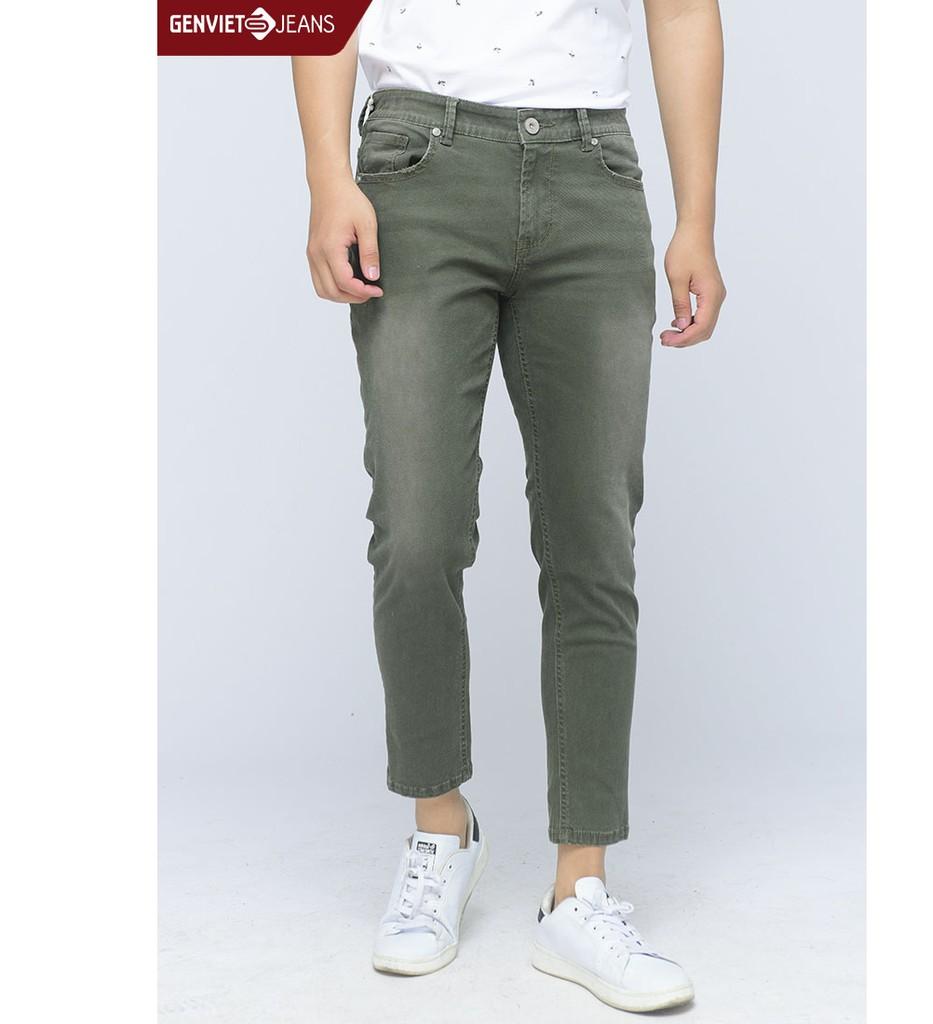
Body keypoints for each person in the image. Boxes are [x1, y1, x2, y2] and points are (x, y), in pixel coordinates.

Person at [292, 0, 725, 1011]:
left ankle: (580, 890)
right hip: (417, 161)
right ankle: (441, 831)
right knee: (417, 527)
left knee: (593, 536)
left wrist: (696, 216)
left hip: (592, 167)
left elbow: (682, 8)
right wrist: (327, 177)